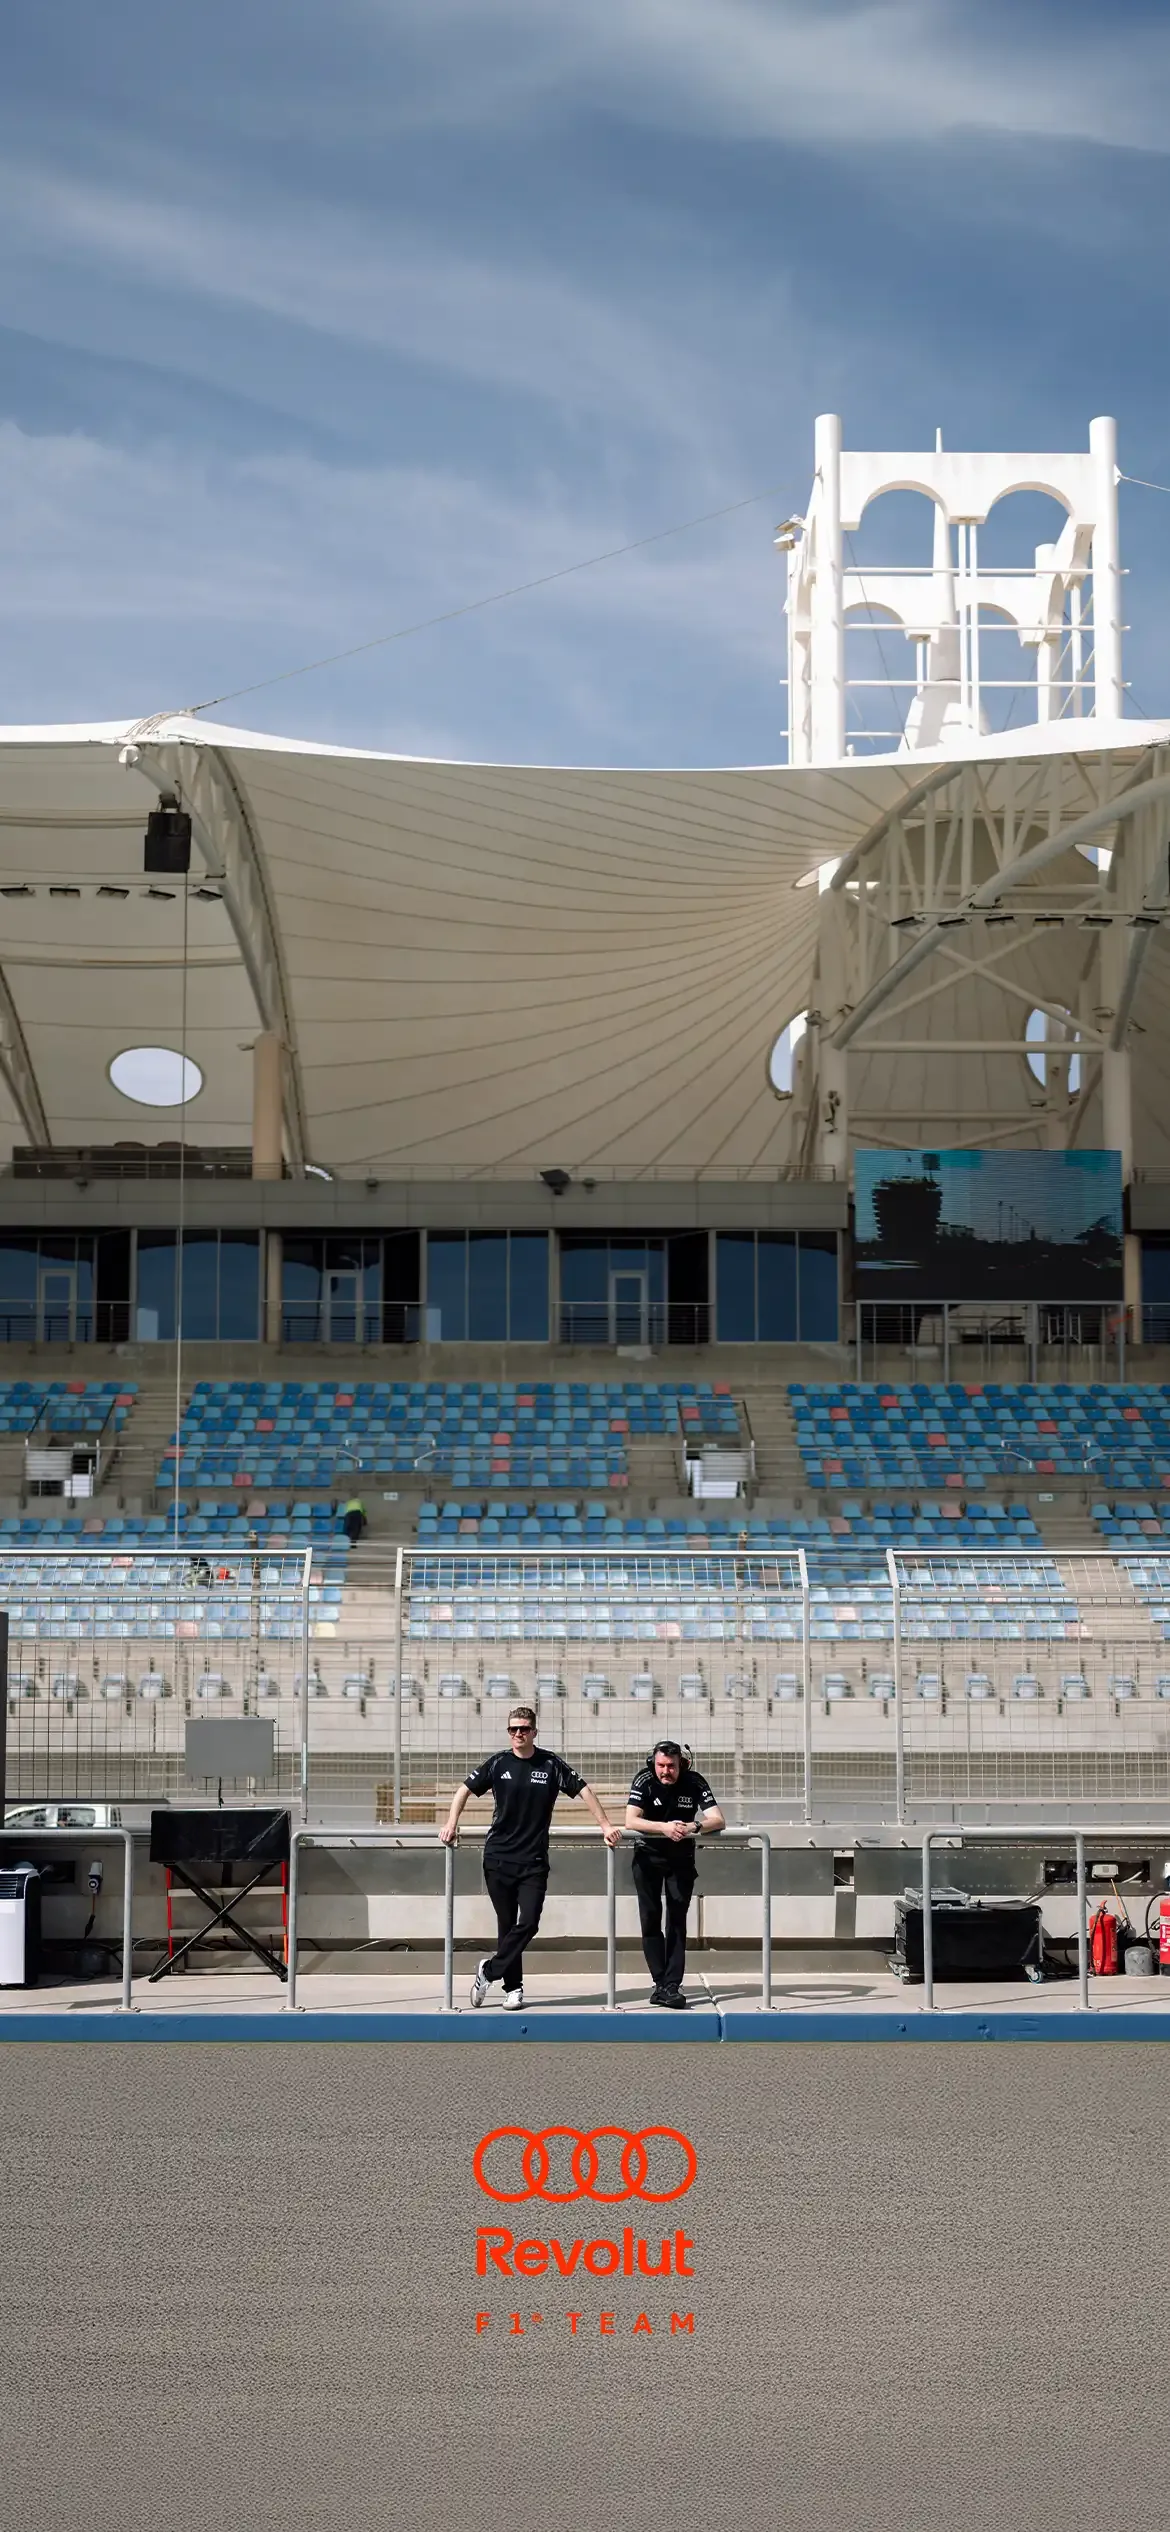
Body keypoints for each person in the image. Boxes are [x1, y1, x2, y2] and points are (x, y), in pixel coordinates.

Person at [440, 1705, 621, 2010]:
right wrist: (451, 1823)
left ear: (535, 1731)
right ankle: (514, 1989)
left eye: (524, 1728)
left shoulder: (549, 1764)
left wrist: (605, 1826)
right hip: (498, 1857)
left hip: (533, 1861)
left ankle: (488, 1971)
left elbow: (585, 1790)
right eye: (513, 1729)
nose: (518, 1734)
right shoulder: (498, 1763)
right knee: (507, 1925)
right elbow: (463, 1791)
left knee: (530, 1922)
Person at [625, 1739, 725, 2010]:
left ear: (682, 1764)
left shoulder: (695, 1781)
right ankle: (660, 1983)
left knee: (677, 1922)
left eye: (671, 1766)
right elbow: (631, 1820)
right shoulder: (644, 1779)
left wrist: (694, 1826)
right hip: (647, 1857)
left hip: (681, 1860)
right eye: (661, 1765)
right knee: (650, 1919)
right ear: (653, 1763)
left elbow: (718, 1819)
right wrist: (664, 1828)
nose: (665, 1771)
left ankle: (672, 1985)